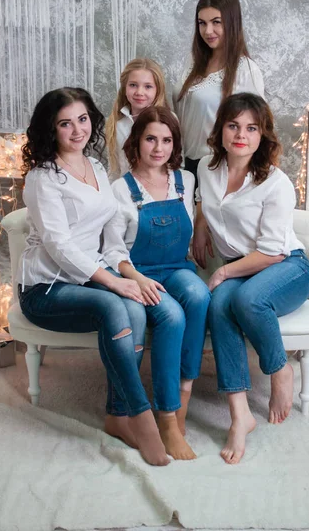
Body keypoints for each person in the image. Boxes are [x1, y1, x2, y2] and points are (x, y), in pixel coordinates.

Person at [17, 87, 169, 467]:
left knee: (133, 310)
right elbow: (59, 246)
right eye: (64, 123)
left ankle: (117, 415)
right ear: (50, 130)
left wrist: (124, 270)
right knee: (112, 305)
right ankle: (142, 417)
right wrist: (113, 281)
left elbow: (107, 230)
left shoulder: (97, 168)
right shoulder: (42, 178)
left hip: (88, 276)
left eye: (82, 119)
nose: (76, 130)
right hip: (45, 286)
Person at [193, 93, 309, 465]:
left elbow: (275, 251)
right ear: (221, 130)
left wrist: (225, 270)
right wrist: (200, 226)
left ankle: (280, 370)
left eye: (251, 128)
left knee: (245, 300)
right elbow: (204, 201)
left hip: (286, 267)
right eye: (233, 126)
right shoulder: (205, 169)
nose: (240, 135)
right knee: (219, 304)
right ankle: (239, 414)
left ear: (263, 135)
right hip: (243, 267)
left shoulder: (275, 183)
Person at [102, 105, 211, 461]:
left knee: (198, 295)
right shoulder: (121, 189)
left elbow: (194, 228)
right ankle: (166, 417)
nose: (158, 147)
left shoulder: (185, 181)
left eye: (166, 140)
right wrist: (135, 277)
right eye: (151, 138)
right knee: (172, 316)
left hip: (176, 267)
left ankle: (183, 396)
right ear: (137, 141)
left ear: (174, 144)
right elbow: (112, 249)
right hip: (137, 271)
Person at [173, 0, 265, 184]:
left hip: (219, 168)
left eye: (216, 22)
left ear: (232, 23)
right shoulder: (193, 63)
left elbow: (258, 128)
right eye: (202, 23)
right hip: (183, 165)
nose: (208, 31)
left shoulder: (246, 70)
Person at [106, 58, 169, 181]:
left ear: (158, 90)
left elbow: (176, 164)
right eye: (133, 85)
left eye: (148, 86)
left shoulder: (168, 122)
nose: (139, 92)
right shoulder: (116, 125)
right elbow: (114, 170)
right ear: (124, 87)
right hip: (126, 194)